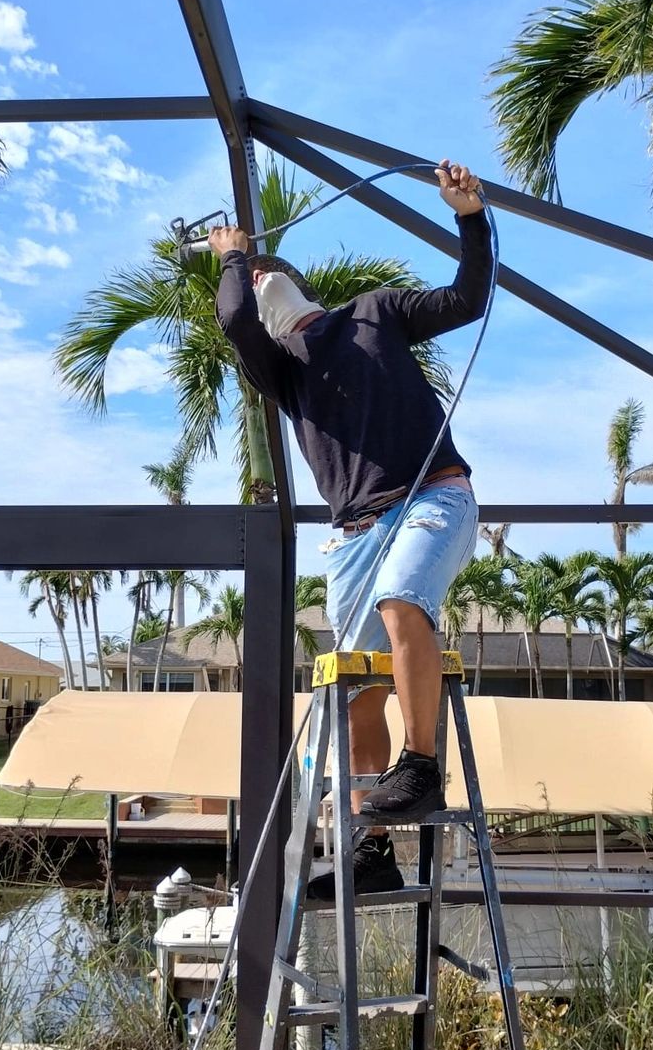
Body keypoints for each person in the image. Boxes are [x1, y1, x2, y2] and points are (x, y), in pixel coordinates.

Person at [210, 161, 492, 897]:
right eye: (251, 275)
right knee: (356, 689)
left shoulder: (374, 312)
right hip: (357, 533)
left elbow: (466, 298)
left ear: (299, 284)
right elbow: (237, 319)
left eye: (268, 271)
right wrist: (232, 257)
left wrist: (468, 218)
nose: (261, 283)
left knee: (403, 601)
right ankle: (371, 853)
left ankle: (421, 768)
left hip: (433, 497)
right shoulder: (284, 371)